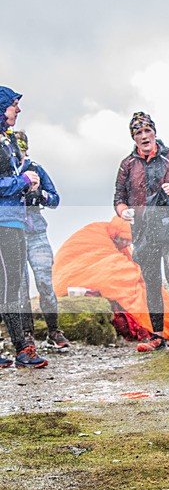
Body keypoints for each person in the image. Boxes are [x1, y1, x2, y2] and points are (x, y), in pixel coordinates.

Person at [114, 112, 169, 352]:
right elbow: (118, 197)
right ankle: (157, 336)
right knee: (151, 281)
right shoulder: (127, 164)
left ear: (154, 132)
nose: (143, 136)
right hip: (143, 230)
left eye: (147, 131)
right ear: (133, 137)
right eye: (138, 133)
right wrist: (123, 211)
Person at [0, 86, 47, 368]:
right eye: (13, 105)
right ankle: (23, 350)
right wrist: (23, 181)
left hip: (15, 219)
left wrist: (31, 185)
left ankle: (22, 348)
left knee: (12, 287)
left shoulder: (8, 140)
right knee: (7, 288)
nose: (18, 110)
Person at [15, 130, 71, 350]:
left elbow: (55, 199)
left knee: (45, 282)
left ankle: (54, 331)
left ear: (26, 147)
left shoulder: (35, 168)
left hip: (37, 233)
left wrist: (40, 195)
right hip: (13, 233)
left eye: (21, 146)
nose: (18, 150)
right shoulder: (4, 169)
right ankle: (27, 334)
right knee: (20, 287)